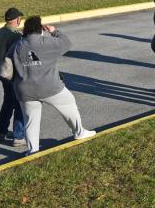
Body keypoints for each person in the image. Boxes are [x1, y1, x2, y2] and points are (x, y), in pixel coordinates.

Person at [11, 16, 95, 155]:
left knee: (31, 121)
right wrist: (55, 31)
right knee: (69, 103)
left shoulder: (18, 45)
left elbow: (8, 61)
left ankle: (33, 150)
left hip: (24, 90)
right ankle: (79, 132)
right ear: (40, 29)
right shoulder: (47, 42)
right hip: (49, 87)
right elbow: (66, 43)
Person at [0, 7, 25, 146]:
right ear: (17, 19)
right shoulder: (16, 36)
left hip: (2, 73)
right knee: (19, 104)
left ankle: (1, 132)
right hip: (14, 75)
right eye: (20, 19)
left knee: (7, 103)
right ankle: (18, 136)